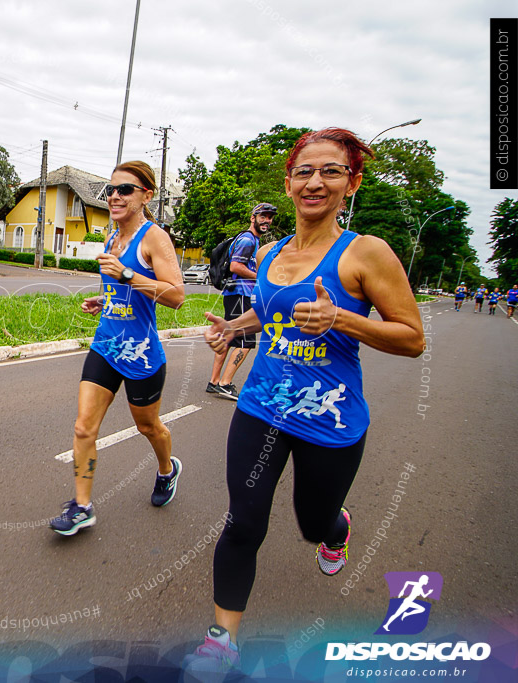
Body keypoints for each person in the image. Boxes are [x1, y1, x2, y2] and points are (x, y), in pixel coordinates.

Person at [183, 128, 424, 674]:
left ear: (351, 183)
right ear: (289, 184)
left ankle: (335, 529)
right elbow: (271, 314)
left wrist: (341, 318)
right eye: (304, 172)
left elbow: (412, 338)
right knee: (243, 522)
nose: (315, 182)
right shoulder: (269, 253)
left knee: (312, 524)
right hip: (262, 408)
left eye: (331, 172)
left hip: (330, 420)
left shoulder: (366, 253)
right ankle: (222, 639)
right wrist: (235, 328)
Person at [48, 161, 185, 535]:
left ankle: (166, 469)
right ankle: (82, 507)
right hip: (107, 346)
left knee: (148, 427)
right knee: (82, 428)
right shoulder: (112, 238)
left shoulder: (154, 237)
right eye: (111, 190)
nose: (115, 196)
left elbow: (176, 296)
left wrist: (126, 274)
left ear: (146, 195)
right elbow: (122, 291)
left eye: (125, 189)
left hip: (141, 355)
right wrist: (103, 300)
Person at [206, 203, 276, 401]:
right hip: (241, 294)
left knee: (229, 336)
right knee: (246, 341)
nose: (267, 220)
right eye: (263, 216)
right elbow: (236, 266)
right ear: (253, 218)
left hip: (235, 294)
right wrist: (260, 277)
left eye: (269, 217)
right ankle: (225, 383)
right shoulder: (248, 240)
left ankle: (214, 381)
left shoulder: (250, 239)